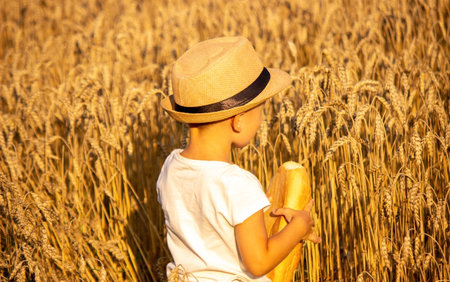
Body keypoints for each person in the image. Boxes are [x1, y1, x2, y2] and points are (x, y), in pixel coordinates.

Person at [157, 36, 321, 281]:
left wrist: (253, 210)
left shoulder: (170, 166)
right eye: (260, 111)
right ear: (238, 120)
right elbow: (258, 262)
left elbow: (206, 223)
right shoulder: (238, 184)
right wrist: (299, 227)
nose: (261, 121)